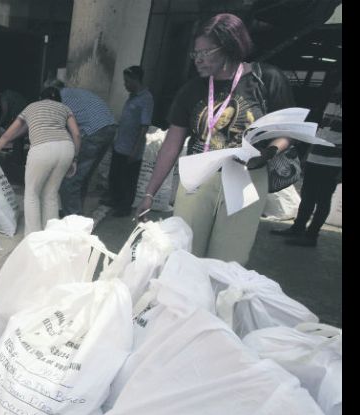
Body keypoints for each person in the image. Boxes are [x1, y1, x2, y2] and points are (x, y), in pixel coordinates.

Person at [136, 13, 295, 265]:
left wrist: (270, 152)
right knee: (184, 254)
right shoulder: (191, 90)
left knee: (228, 261)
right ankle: (185, 304)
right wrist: (149, 193)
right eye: (195, 53)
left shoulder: (267, 80)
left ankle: (217, 304)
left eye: (205, 53)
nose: (197, 59)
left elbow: (287, 132)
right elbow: (171, 144)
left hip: (246, 180)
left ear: (230, 46)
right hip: (198, 176)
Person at [0, 86, 81, 235]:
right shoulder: (64, 108)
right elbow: (76, 134)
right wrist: (74, 158)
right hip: (66, 147)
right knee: (51, 194)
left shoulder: (31, 107)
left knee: (32, 193)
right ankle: (51, 235)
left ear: (40, 98)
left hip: (42, 148)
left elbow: (7, 135)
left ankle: (33, 237)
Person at [272, 81, 342, 247]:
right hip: (316, 157)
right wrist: (308, 154)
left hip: (333, 162)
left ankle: (311, 236)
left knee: (323, 199)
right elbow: (321, 131)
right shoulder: (332, 102)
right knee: (308, 196)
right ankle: (298, 228)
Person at [46, 79, 117, 216]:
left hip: (93, 133)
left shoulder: (59, 100)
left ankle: (72, 219)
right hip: (109, 128)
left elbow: (72, 134)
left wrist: (73, 157)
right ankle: (75, 213)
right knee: (83, 177)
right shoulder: (76, 93)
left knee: (69, 179)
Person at [108, 66, 154, 217]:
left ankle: (123, 208)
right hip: (120, 145)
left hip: (131, 149)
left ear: (136, 80)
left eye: (127, 81)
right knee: (114, 176)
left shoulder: (146, 99)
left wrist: (135, 150)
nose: (125, 84)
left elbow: (143, 127)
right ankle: (114, 201)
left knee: (127, 181)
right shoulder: (132, 96)